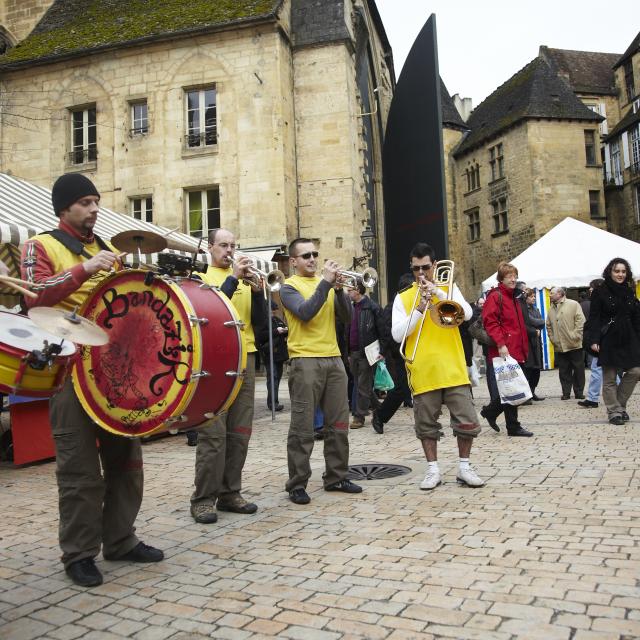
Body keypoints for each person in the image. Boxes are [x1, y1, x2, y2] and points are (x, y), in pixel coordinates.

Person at [21, 173, 164, 587]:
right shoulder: (40, 245)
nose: (95, 209)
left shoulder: (107, 250)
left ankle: (120, 539)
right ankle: (79, 553)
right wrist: (84, 269)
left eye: (97, 201)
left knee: (127, 462)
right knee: (80, 471)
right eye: (85, 202)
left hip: (115, 375)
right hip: (67, 372)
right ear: (64, 208)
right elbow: (32, 296)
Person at [391, 243, 484, 490]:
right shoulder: (403, 297)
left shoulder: (449, 287)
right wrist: (420, 308)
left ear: (434, 265)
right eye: (416, 269)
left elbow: (467, 314)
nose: (421, 274)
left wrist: (440, 295)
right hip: (423, 369)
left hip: (452, 367)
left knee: (466, 421)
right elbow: (398, 335)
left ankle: (464, 467)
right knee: (426, 426)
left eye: (426, 268)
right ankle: (433, 470)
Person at [190, 229, 267, 523]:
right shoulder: (201, 279)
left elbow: (260, 324)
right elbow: (210, 308)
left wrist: (258, 294)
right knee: (213, 432)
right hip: (215, 358)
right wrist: (233, 277)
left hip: (244, 356)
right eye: (223, 245)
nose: (229, 250)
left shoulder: (245, 281)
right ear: (210, 248)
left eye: (233, 245)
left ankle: (230, 492)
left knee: (240, 431)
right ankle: (203, 498)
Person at [280, 238, 362, 504]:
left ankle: (336, 476)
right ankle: (297, 483)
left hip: (334, 359)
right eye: (305, 256)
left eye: (315, 254)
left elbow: (348, 319)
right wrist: (327, 284)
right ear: (293, 262)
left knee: (338, 424)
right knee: (303, 427)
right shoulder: (288, 287)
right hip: (304, 360)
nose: (313, 259)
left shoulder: (325, 285)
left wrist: (338, 291)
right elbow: (305, 313)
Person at [480, 262, 533, 437]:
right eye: (509, 276)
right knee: (511, 386)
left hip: (517, 348)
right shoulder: (496, 296)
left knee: (513, 386)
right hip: (504, 349)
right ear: (501, 278)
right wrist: (501, 344)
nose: (513, 279)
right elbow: (491, 322)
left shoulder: (514, 297)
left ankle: (491, 412)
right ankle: (513, 425)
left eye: (515, 275)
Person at [585, 258, 640, 425]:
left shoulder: (630, 291)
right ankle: (614, 412)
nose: (620, 274)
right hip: (608, 338)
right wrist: (594, 339)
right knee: (609, 377)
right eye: (617, 271)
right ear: (610, 271)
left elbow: (636, 317)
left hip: (629, 337)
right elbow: (594, 318)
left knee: (635, 371)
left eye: (623, 271)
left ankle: (619, 405)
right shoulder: (600, 291)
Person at [372, 273, 414, 434]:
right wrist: (385, 351)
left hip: (415, 352)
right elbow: (387, 333)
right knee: (401, 389)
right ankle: (380, 416)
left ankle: (429, 423)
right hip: (401, 353)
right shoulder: (392, 307)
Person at [345, 281, 384, 429]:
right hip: (353, 352)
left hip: (368, 352)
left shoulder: (372, 307)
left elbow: (382, 329)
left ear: (358, 290)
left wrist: (382, 351)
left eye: (350, 290)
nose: (348, 293)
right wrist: (348, 352)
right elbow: (347, 331)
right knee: (362, 385)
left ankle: (359, 416)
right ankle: (378, 408)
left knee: (362, 385)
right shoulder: (350, 307)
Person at [546, 286, 586, 400]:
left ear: (559, 294)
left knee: (578, 370)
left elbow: (581, 321)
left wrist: (576, 335)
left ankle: (579, 392)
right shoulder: (551, 308)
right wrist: (552, 338)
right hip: (559, 345)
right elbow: (548, 325)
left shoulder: (573, 304)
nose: (550, 295)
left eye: (552, 293)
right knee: (564, 371)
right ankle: (566, 393)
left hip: (574, 344)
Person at [256, 300, 289, 411]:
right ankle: (273, 403)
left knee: (277, 379)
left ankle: (274, 401)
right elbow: (260, 336)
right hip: (269, 354)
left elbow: (286, 330)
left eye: (274, 311)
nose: (273, 313)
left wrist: (285, 330)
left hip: (279, 355)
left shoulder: (276, 320)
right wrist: (276, 331)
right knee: (273, 378)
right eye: (271, 311)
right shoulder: (263, 321)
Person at [579, 279, 605, 409]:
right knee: (607, 371)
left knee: (598, 369)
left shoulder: (601, 303)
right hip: (599, 341)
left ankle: (593, 398)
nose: (590, 291)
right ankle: (593, 398)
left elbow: (599, 323)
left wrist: (596, 340)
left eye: (591, 289)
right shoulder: (597, 302)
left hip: (601, 342)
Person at [522, 288, 545, 401]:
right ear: (526, 298)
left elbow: (541, 322)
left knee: (536, 370)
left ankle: (532, 391)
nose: (534, 298)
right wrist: (536, 324)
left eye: (534, 296)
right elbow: (532, 321)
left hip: (536, 342)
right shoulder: (523, 310)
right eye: (531, 296)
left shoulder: (535, 309)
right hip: (528, 342)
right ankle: (526, 395)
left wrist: (537, 323)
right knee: (529, 369)